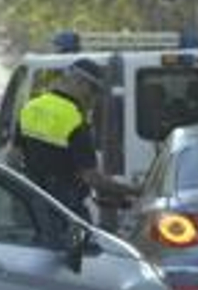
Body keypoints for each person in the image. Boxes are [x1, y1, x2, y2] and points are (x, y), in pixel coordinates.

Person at [11, 58, 137, 220]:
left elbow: (13, 158)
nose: (94, 97)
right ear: (79, 82)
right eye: (93, 90)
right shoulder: (75, 120)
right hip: (64, 210)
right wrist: (134, 191)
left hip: (32, 204)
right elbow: (92, 178)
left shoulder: (30, 107)